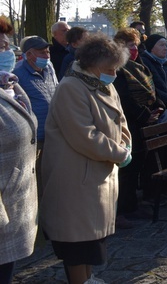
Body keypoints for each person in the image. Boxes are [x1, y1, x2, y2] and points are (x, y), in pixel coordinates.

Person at [40, 33, 132, 284]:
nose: (113, 72)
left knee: (91, 240)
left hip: (97, 174)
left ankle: (88, 278)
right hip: (75, 178)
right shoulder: (71, 87)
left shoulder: (104, 83)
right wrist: (119, 153)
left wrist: (126, 142)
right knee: (76, 242)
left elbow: (120, 119)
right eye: (109, 67)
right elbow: (84, 135)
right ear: (93, 63)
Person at [112, 28, 164, 225]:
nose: (134, 49)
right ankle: (122, 210)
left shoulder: (139, 65)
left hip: (145, 122)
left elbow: (152, 88)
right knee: (128, 169)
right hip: (130, 123)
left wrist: (158, 107)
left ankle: (132, 205)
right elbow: (124, 98)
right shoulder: (117, 68)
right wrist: (144, 115)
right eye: (129, 45)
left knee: (138, 167)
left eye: (135, 45)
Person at [0, 17, 37, 284]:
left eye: (6, 44)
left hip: (13, 210)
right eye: (1, 46)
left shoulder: (9, 85)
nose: (8, 51)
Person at [139, 34, 167, 199]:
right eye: (161, 45)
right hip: (161, 112)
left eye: (166, 45)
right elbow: (155, 89)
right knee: (157, 153)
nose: (165, 48)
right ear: (152, 48)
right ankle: (154, 188)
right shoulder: (147, 63)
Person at [13, 36, 58, 157]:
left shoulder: (49, 68)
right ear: (29, 54)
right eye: (42, 53)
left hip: (53, 133)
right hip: (35, 138)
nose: (47, 56)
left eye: (48, 51)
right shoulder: (17, 74)